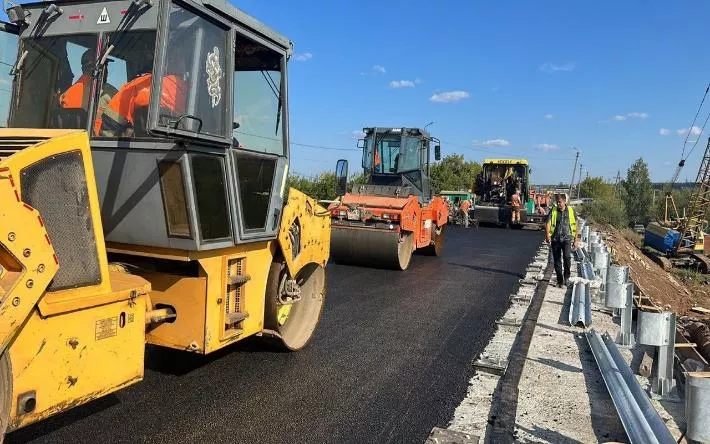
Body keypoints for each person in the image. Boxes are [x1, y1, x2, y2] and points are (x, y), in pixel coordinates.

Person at [59, 49, 118, 127]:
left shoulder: (65, 94)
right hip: (95, 137)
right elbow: (121, 122)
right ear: (97, 67)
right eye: (105, 65)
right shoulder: (107, 91)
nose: (106, 70)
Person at [546, 194, 579, 287]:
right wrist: (547, 236)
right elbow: (548, 223)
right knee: (557, 260)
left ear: (565, 202)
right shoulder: (553, 210)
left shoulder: (571, 211)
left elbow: (576, 225)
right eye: (557, 202)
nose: (558, 203)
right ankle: (560, 281)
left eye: (560, 202)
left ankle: (567, 278)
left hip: (567, 238)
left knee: (567, 258)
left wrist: (576, 240)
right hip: (555, 239)